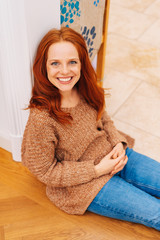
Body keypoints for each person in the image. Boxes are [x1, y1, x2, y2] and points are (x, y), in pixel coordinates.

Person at [21, 27, 160, 231]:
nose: (65, 71)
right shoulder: (41, 118)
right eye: (55, 63)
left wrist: (117, 143)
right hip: (86, 185)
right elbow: (45, 171)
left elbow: (104, 118)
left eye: (72, 62)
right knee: (156, 212)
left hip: (115, 156)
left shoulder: (84, 87)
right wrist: (97, 169)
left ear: (81, 63)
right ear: (44, 67)